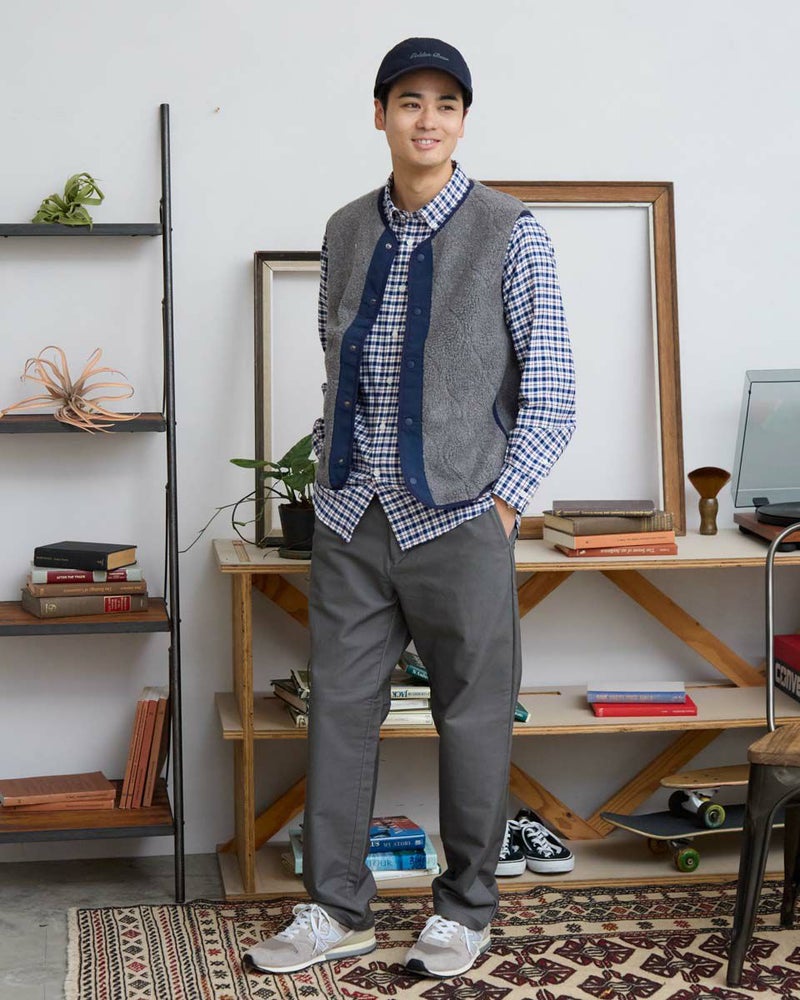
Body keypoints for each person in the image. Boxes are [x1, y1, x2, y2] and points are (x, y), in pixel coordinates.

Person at [244, 36, 576, 980]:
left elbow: (553, 392)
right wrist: (328, 480)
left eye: (445, 104)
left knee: (474, 717)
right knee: (338, 715)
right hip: (353, 517)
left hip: (461, 518)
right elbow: (335, 367)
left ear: (463, 120)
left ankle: (464, 912)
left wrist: (502, 507)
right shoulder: (346, 228)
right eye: (409, 102)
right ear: (381, 114)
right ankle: (334, 909)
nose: (427, 120)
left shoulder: (513, 231)